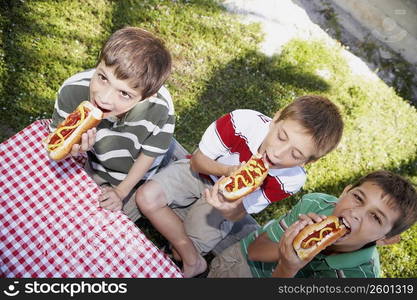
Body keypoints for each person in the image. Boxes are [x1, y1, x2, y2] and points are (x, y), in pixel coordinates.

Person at [136, 95, 344, 277]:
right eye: (281, 137)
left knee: (176, 251)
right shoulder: (242, 122)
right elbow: (197, 161)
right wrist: (229, 172)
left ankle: (184, 250)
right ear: (276, 118)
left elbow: (238, 214)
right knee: (146, 197)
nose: (279, 153)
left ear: (307, 162)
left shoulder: (290, 179)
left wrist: (229, 205)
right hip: (201, 171)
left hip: (229, 202)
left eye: (296, 154)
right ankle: (193, 257)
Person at [49, 27, 174, 222]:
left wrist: (121, 192)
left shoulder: (160, 110)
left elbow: (149, 154)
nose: (103, 98)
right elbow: (56, 143)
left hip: (135, 175)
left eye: (124, 94)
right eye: (103, 77)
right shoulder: (72, 91)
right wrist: (76, 150)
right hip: (94, 161)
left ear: (147, 97)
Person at [207, 170, 417, 278]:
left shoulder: (357, 276)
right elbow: (253, 252)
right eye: (358, 198)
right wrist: (293, 245)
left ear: (386, 239)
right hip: (243, 266)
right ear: (345, 191)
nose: (355, 213)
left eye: (376, 217)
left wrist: (288, 269)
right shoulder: (315, 204)